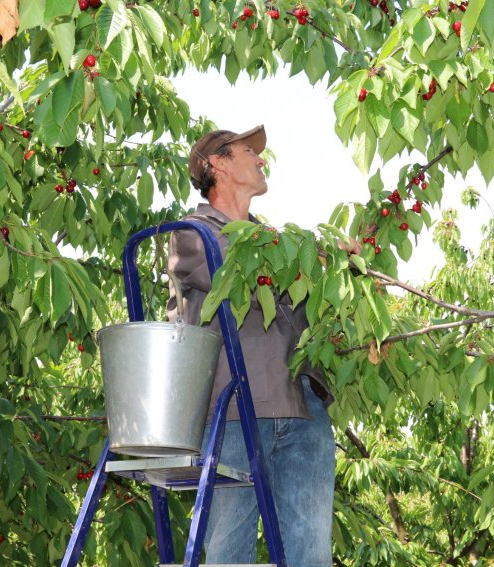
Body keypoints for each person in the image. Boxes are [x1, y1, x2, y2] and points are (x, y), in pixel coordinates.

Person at [166, 125, 337, 566]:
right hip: (234, 410)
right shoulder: (192, 234)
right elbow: (236, 271)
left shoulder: (281, 244)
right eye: (249, 151)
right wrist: (315, 256)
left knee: (309, 554)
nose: (261, 159)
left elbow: (306, 300)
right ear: (217, 164)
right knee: (229, 552)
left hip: (301, 410)